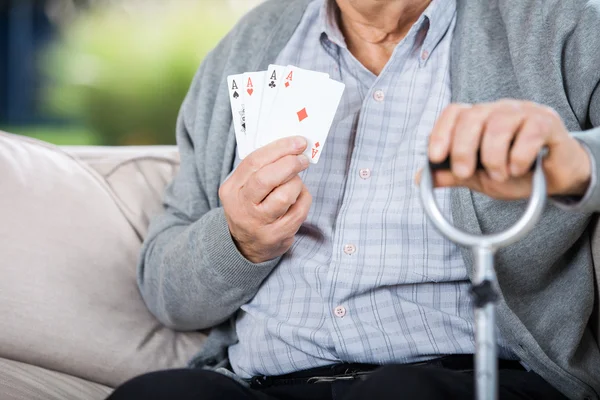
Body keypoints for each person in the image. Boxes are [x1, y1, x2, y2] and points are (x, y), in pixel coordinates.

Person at [108, 0, 600, 399]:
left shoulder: (559, 24)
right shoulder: (247, 47)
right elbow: (166, 291)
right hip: (259, 386)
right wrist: (238, 242)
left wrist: (573, 165)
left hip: (458, 378)